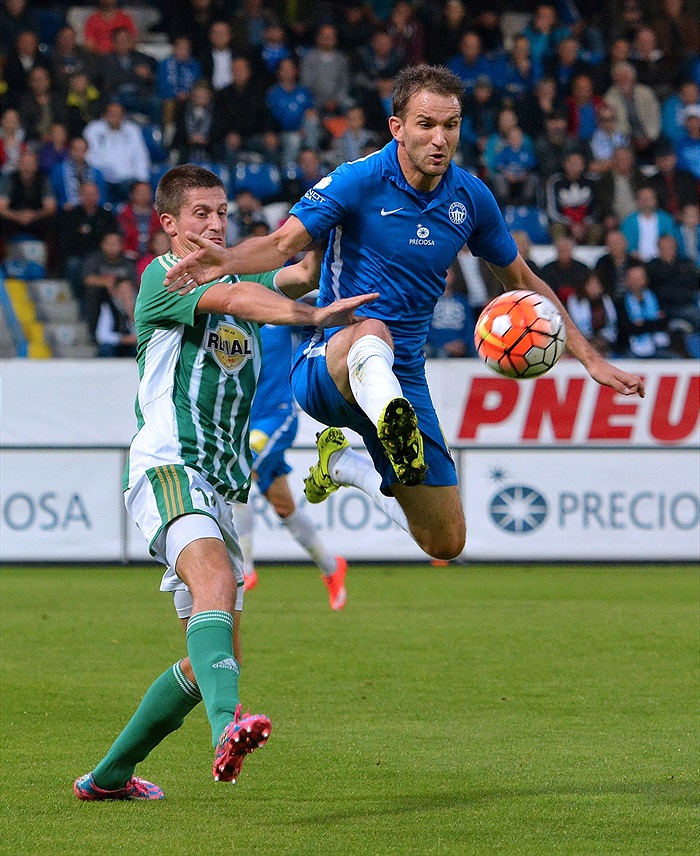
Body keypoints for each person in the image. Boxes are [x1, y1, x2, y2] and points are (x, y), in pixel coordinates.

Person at [163, 65, 645, 563]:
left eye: (451, 125)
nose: (440, 138)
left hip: (404, 376)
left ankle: (347, 466)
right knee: (372, 326)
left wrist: (590, 359)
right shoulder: (358, 180)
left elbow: (523, 282)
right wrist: (229, 259)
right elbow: (285, 243)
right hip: (327, 365)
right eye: (426, 124)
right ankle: (393, 422)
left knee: (445, 542)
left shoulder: (471, 198)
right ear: (397, 127)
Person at [73, 163, 375, 801]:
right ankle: (227, 731)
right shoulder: (163, 275)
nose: (214, 224)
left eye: (221, 214)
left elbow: (299, 269)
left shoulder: (242, 269)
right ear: (170, 225)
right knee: (213, 583)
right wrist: (309, 316)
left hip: (219, 484)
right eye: (200, 214)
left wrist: (347, 216)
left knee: (209, 659)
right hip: (168, 463)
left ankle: (109, 777)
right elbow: (242, 300)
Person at [234, 319, 348, 608]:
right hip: (248, 423)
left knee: (239, 472)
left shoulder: (281, 318)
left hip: (278, 416)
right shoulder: (235, 322)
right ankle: (332, 567)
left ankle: (244, 570)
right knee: (283, 506)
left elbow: (319, 314)